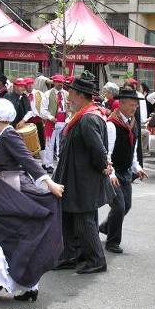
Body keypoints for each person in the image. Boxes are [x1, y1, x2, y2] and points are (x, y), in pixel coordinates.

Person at [0, 98, 64, 301]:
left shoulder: (9, 134)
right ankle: (5, 279)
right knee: (1, 233)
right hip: (4, 189)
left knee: (10, 234)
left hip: (13, 188)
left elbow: (27, 160)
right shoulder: (2, 134)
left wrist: (48, 182)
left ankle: (27, 284)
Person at [52, 78, 114, 274]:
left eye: (71, 93)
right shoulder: (85, 115)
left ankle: (96, 260)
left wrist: (104, 165)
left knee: (84, 220)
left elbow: (97, 149)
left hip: (83, 180)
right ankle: (68, 256)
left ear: (81, 96)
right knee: (68, 217)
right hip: (75, 178)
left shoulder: (88, 118)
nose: (68, 97)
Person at [99, 89, 148, 253]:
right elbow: (107, 153)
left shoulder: (132, 123)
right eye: (131, 105)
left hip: (126, 171)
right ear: (121, 104)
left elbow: (132, 150)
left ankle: (106, 227)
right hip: (114, 172)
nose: (134, 108)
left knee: (126, 205)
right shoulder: (112, 125)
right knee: (119, 206)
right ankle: (113, 242)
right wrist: (111, 174)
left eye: (136, 105)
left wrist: (137, 168)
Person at [40, 74, 69, 173]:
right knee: (50, 144)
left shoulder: (66, 94)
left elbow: (69, 109)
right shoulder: (47, 94)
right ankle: (49, 165)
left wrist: (68, 118)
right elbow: (42, 110)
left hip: (64, 121)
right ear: (54, 82)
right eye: (58, 82)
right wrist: (50, 117)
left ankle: (61, 164)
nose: (60, 84)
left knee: (62, 144)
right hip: (52, 122)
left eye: (61, 82)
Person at [22, 77, 46, 153]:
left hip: (38, 118)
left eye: (31, 84)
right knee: (27, 140)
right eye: (28, 84)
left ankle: (44, 162)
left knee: (41, 138)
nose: (30, 86)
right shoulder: (23, 95)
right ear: (25, 86)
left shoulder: (39, 93)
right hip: (26, 120)